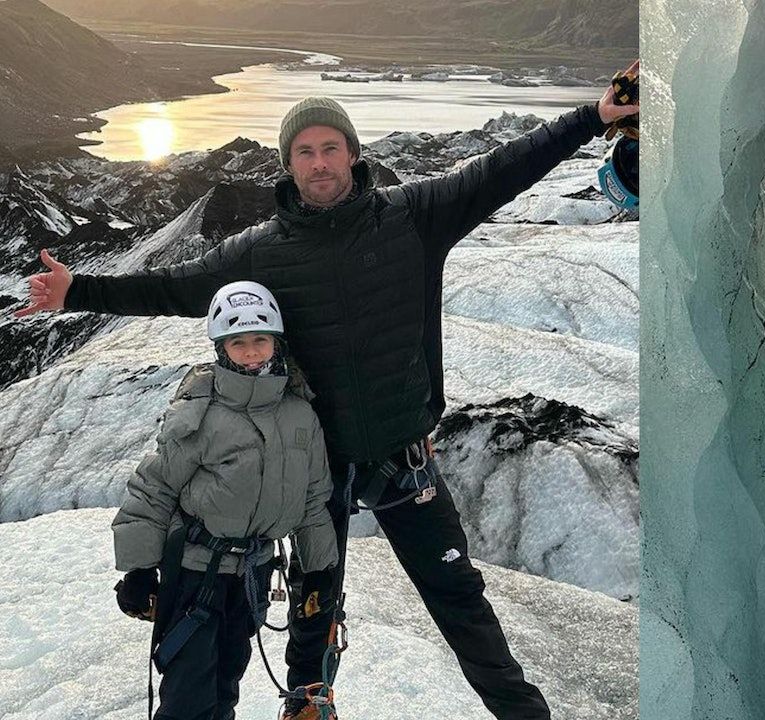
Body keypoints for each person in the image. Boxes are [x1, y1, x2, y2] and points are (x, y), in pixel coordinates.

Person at [20, 62, 639, 720]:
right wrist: (76, 290)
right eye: (305, 152)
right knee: (317, 600)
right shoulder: (261, 251)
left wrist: (594, 116)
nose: (319, 162)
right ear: (288, 165)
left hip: (405, 458)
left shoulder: (414, 216)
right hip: (321, 465)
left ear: (352, 152)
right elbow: (172, 286)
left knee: (459, 599)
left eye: (330, 147)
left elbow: (505, 168)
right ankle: (308, 704)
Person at [112, 281, 338, 720]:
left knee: (225, 683)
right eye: (239, 342)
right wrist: (140, 570)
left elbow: (313, 501)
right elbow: (155, 487)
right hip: (197, 573)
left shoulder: (300, 416)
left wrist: (318, 573)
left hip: (252, 573)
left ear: (277, 343)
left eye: (260, 340)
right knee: (187, 696)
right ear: (221, 347)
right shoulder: (202, 411)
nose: (252, 351)